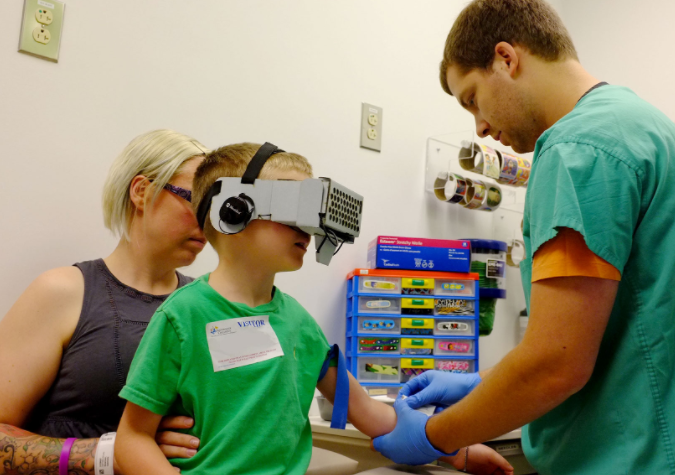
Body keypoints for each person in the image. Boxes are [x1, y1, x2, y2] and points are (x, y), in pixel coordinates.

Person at [373, 0, 675, 473]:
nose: (481, 127)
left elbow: (556, 365)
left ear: (506, 59)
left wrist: (434, 436)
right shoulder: (643, 124)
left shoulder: (577, 149)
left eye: (472, 98)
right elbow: (610, 329)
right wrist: (480, 382)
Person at [114, 143, 514, 475]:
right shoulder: (181, 317)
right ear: (232, 210)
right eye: (297, 206)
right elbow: (132, 439)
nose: (311, 226)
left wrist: (456, 450)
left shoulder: (299, 325)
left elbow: (368, 412)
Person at [0, 130, 210, 474]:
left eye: (216, 207)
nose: (209, 222)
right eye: (197, 201)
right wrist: (114, 452)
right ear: (141, 192)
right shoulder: (62, 292)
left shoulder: (207, 305)